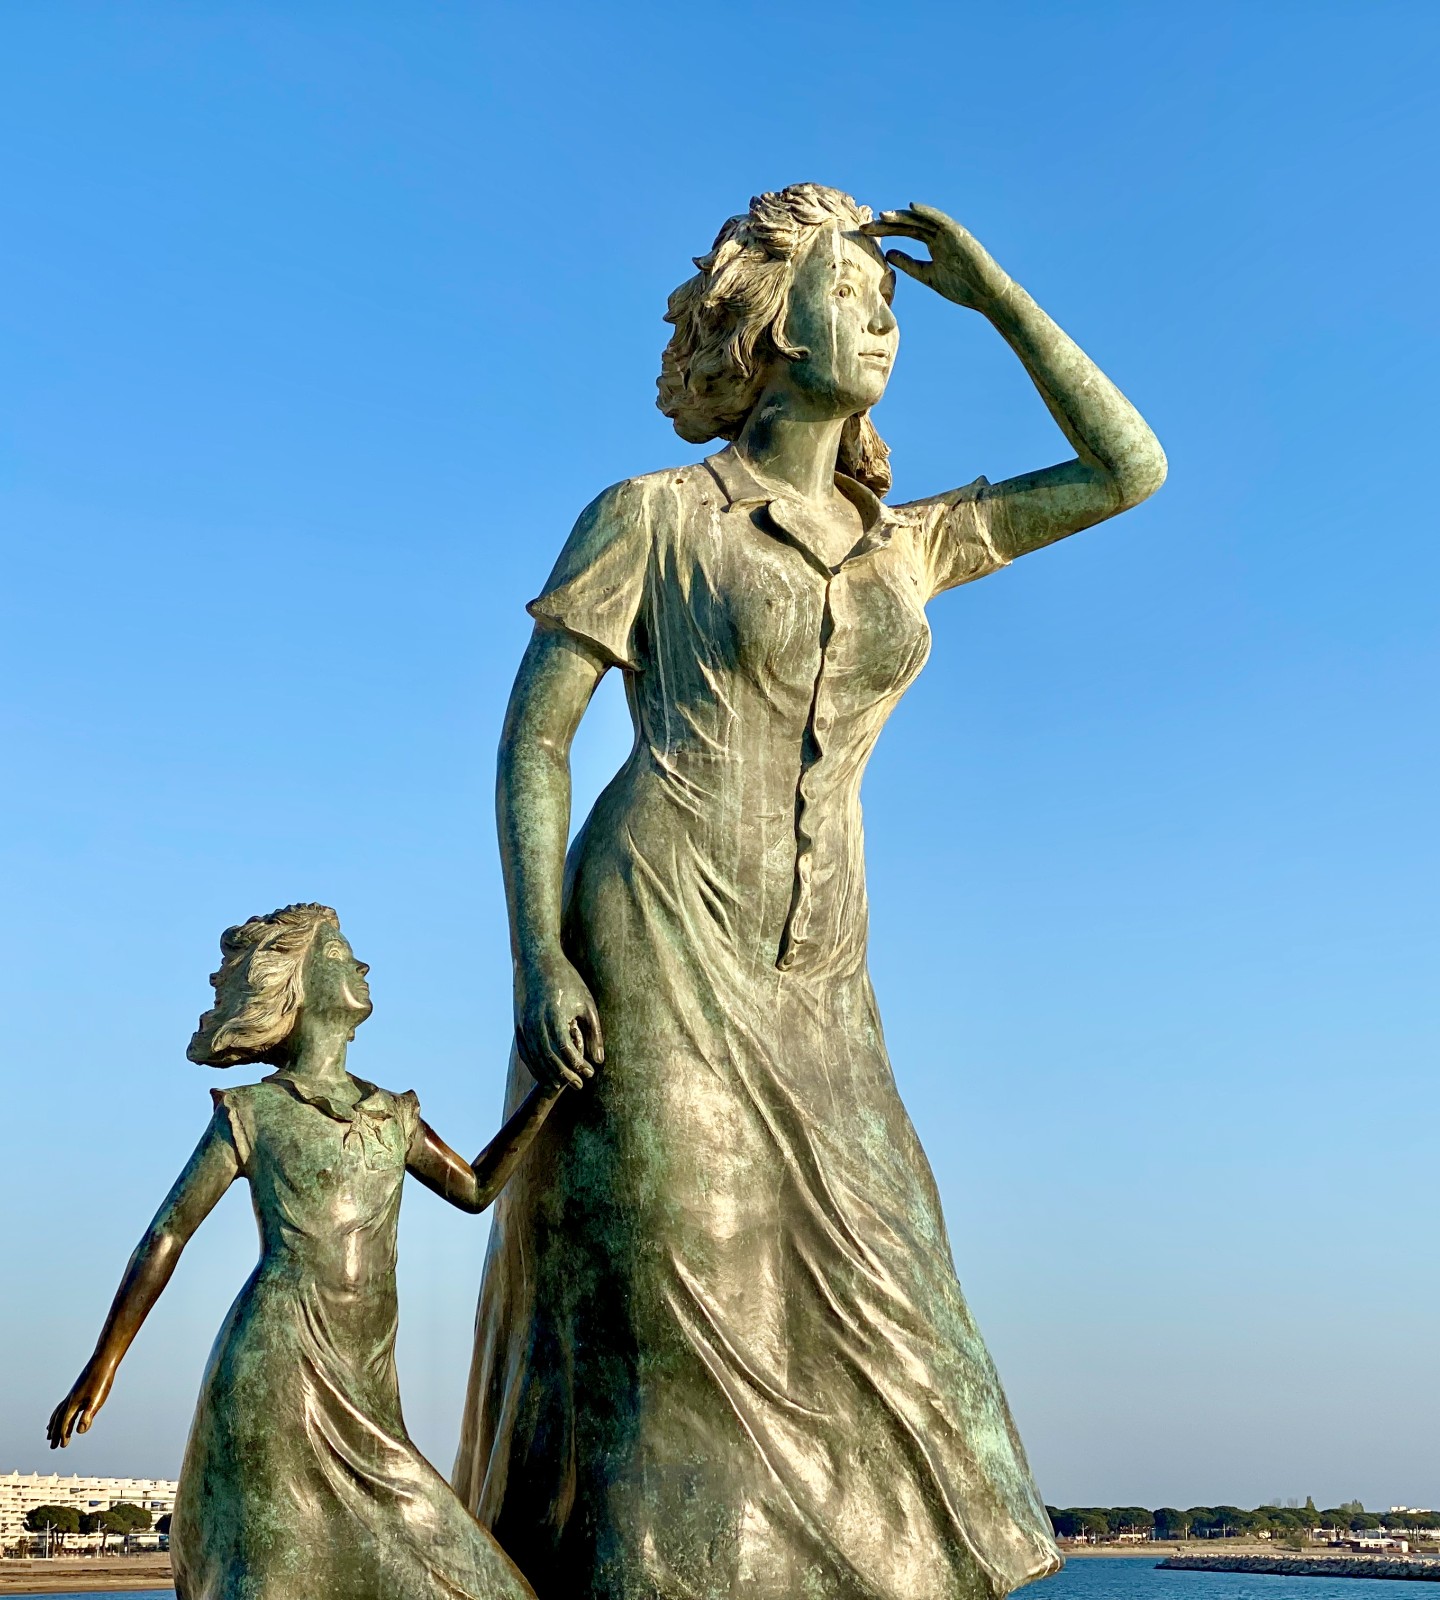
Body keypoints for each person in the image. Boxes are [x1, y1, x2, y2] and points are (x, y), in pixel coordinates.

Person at [454, 186, 1166, 1600]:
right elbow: (537, 738)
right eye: (856, 295)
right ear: (774, 327)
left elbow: (1125, 469)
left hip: (824, 971)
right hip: (653, 927)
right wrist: (539, 958)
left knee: (901, 1295)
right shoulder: (652, 516)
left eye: (893, 305)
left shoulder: (908, 541)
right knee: (679, 1295)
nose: (886, 324)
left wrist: (998, 298)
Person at [48, 903, 562, 1600]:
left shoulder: (392, 1114)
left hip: (366, 1377)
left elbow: (474, 1189)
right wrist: (103, 1363)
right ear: (298, 985)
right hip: (277, 1365)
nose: (361, 964)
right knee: (273, 1576)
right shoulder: (254, 1113)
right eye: (340, 955)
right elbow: (168, 1233)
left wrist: (548, 1090)